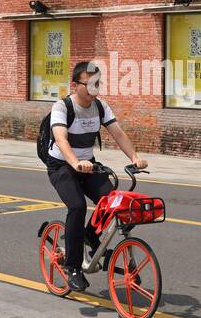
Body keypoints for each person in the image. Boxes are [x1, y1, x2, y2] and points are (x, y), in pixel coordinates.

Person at [47, 60, 147, 292]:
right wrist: (75, 163)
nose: (95, 89)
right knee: (77, 206)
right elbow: (61, 140)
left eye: (98, 84)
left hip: (88, 165)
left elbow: (118, 133)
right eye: (90, 84)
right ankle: (73, 267)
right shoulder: (62, 107)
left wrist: (134, 157)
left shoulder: (100, 106)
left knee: (111, 200)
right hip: (62, 165)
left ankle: (90, 237)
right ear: (76, 86)